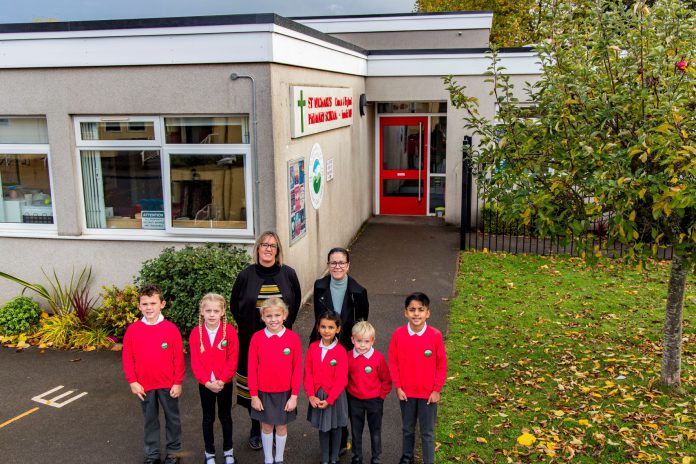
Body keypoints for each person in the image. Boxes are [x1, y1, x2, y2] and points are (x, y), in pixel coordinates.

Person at [230, 231, 302, 450]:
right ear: (258, 249)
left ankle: (277, 424)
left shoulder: (288, 274)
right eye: (264, 245)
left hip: (281, 343)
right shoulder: (245, 275)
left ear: (278, 250)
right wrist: (249, 329)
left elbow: (295, 303)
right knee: (255, 382)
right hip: (252, 341)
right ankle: (256, 427)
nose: (268, 249)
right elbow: (235, 306)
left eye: (273, 245)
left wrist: (283, 329)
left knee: (277, 384)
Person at [311, 246, 369, 455]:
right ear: (328, 265)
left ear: (348, 265)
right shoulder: (319, 286)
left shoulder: (358, 291)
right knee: (323, 387)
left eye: (341, 263)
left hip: (346, 350)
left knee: (343, 392)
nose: (337, 266)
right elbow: (318, 319)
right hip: (324, 347)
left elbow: (362, 322)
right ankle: (326, 431)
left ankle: (343, 437)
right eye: (333, 263)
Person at [122, 284, 185, 464]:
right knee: (150, 421)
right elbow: (127, 358)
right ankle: (152, 454)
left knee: (173, 420)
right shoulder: (133, 330)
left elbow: (178, 359)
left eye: (153, 303)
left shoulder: (171, 329)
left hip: (168, 385)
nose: (149, 307)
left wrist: (178, 382)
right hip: (144, 386)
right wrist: (132, 381)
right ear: (139, 306)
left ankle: (173, 452)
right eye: (145, 304)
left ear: (162, 304)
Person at [388, 292, 447, 464]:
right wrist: (398, 387)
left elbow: (441, 365)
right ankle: (407, 458)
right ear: (405, 312)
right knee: (407, 429)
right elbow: (393, 362)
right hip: (406, 393)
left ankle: (428, 461)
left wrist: (436, 390)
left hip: (428, 395)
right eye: (412, 310)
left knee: (427, 432)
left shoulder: (435, 335)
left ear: (427, 313)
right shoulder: (398, 335)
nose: (416, 313)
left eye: (420, 310)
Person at [248, 297, 302, 464]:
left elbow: (297, 369)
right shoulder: (257, 338)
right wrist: (254, 395)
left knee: (281, 426)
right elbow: (251, 368)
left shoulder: (293, 338)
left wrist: (294, 396)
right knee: (266, 426)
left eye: (277, 315)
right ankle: (268, 459)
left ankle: (279, 458)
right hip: (263, 392)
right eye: (269, 316)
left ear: (284, 316)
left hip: (285, 392)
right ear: (263, 317)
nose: (273, 320)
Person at [189, 293, 240, 464]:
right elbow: (195, 362)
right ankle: (209, 452)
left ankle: (228, 451)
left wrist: (222, 380)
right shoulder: (196, 333)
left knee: (225, 417)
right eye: (208, 310)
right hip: (206, 385)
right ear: (202, 312)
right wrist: (207, 382)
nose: (212, 314)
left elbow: (233, 359)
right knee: (208, 418)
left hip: (223, 383)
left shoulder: (230, 332)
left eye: (215, 311)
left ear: (222, 312)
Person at [305, 310, 349, 464]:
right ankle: (324, 458)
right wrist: (311, 395)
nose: (326, 331)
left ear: (338, 329)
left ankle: (334, 457)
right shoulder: (313, 348)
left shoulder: (341, 351)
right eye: (323, 327)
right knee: (323, 428)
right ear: (318, 328)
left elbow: (342, 379)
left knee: (336, 427)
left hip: (334, 397)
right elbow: (308, 374)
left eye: (330, 327)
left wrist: (330, 399)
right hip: (318, 395)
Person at [346, 321, 392, 464]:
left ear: (372, 341)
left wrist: (381, 396)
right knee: (356, 431)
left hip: (374, 401)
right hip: (354, 400)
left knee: (375, 431)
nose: (362, 345)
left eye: (366, 341)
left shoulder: (378, 358)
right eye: (359, 341)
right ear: (353, 339)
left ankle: (376, 458)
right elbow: (345, 378)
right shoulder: (348, 356)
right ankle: (357, 457)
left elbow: (386, 380)